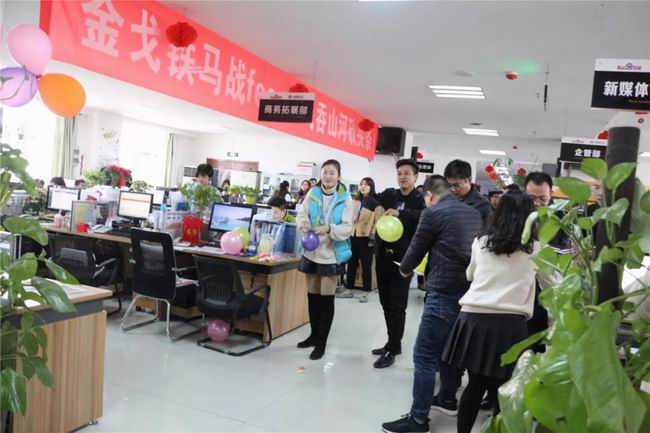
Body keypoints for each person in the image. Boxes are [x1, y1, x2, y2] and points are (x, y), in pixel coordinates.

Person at [442, 191, 555, 433]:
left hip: (473, 318)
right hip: (510, 324)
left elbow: (470, 275)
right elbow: (552, 284)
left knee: (474, 385)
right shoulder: (536, 248)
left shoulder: (481, 242)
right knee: (504, 390)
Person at [381, 176, 481, 433]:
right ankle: (447, 398)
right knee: (447, 349)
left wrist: (404, 269)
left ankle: (418, 420)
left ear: (429, 195)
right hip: (468, 293)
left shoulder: (433, 212)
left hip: (442, 291)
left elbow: (416, 250)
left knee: (424, 355)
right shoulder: (473, 213)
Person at [296, 160, 353, 360]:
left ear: (339, 176)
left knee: (326, 299)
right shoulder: (313, 193)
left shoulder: (345, 198)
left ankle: (321, 343)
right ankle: (313, 336)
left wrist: (329, 228)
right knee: (312, 296)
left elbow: (347, 228)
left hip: (331, 253)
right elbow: (301, 214)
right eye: (325, 172)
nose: (328, 176)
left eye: (332, 173)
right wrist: (304, 225)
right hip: (311, 251)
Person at [373, 159, 425, 369]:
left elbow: (424, 216)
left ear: (415, 177)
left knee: (397, 305)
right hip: (383, 255)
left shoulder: (420, 199)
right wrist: (377, 206)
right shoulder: (390, 194)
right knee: (385, 302)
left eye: (407, 173)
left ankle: (393, 348)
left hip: (404, 259)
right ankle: (392, 342)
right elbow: (370, 199)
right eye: (399, 173)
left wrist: (400, 213)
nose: (402, 177)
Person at [338, 177, 380, 301]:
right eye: (361, 184)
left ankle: (366, 292)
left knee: (366, 265)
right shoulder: (355, 200)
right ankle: (349, 289)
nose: (363, 186)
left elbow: (377, 221)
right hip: (353, 235)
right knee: (351, 263)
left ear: (371, 187)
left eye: (366, 184)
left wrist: (372, 236)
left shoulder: (374, 202)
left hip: (366, 237)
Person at [444, 159, 491, 225]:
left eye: (456, 185)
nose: (452, 189)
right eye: (448, 185)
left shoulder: (482, 205)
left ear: (469, 180)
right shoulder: (445, 198)